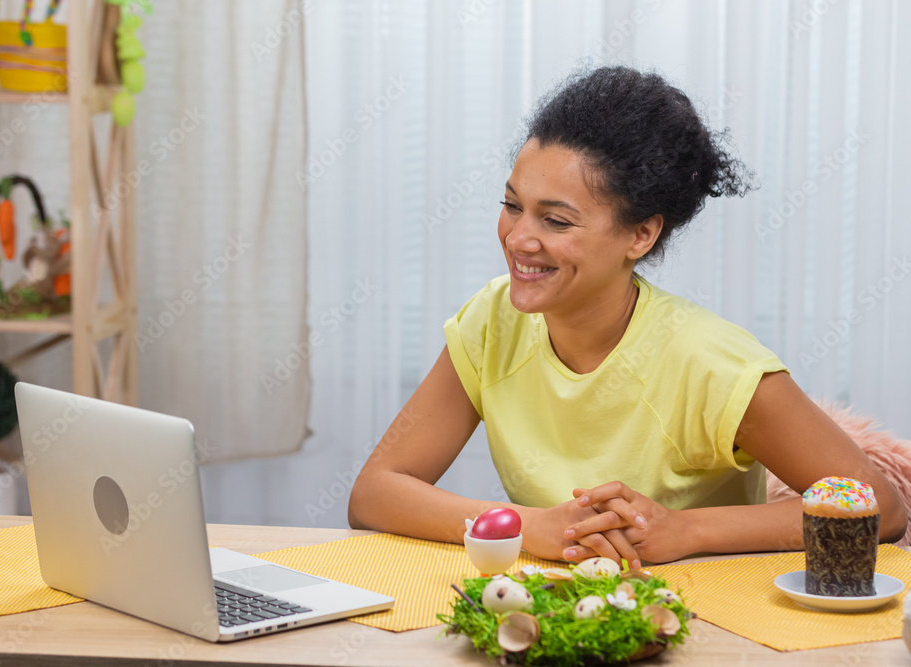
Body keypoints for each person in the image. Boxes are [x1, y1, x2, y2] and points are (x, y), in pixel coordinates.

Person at [347, 66, 907, 568]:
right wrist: (530, 527)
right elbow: (375, 493)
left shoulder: (711, 363)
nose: (519, 239)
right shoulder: (492, 322)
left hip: (701, 619)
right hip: (549, 612)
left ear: (640, 235)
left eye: (556, 222)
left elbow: (880, 508)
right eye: (513, 205)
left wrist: (685, 530)